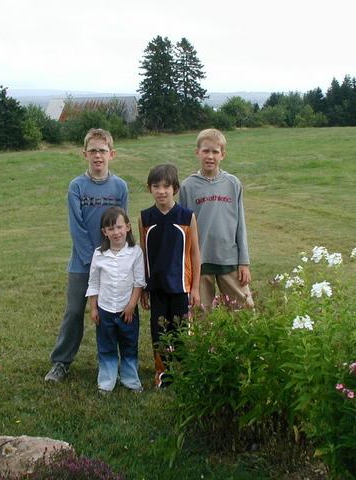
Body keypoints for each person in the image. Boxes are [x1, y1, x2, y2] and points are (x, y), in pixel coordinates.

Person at [45, 128, 128, 383]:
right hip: (82, 264)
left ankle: (115, 361)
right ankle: (61, 362)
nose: (97, 156)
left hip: (112, 263)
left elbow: (121, 227)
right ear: (85, 154)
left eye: (102, 150)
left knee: (113, 312)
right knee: (74, 312)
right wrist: (93, 261)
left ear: (111, 154)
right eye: (92, 150)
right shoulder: (77, 187)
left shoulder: (120, 187)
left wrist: (115, 259)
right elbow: (77, 228)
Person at [138, 164, 201, 388]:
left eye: (166, 186)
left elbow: (194, 253)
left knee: (181, 329)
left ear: (175, 188)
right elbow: (143, 255)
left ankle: (183, 370)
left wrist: (195, 288)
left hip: (181, 285)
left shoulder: (186, 216)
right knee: (159, 330)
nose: (161, 191)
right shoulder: (145, 218)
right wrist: (144, 287)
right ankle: (162, 372)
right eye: (156, 186)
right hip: (156, 287)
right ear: (149, 188)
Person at [179, 128, 254, 310]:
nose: (210, 156)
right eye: (205, 151)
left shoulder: (232, 184)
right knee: (201, 312)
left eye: (215, 151)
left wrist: (243, 262)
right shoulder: (188, 186)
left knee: (244, 307)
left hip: (229, 257)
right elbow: (184, 230)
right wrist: (186, 263)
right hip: (200, 260)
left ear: (223, 155)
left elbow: (240, 225)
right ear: (197, 152)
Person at [86, 207, 146, 394]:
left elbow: (139, 282)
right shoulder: (99, 254)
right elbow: (94, 283)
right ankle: (107, 381)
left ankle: (130, 379)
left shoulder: (135, 252)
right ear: (104, 232)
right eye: (110, 229)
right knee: (106, 347)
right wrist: (93, 308)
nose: (116, 232)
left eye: (119, 227)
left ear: (128, 227)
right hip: (105, 311)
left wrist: (131, 306)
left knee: (129, 346)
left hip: (127, 311)